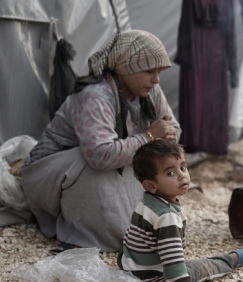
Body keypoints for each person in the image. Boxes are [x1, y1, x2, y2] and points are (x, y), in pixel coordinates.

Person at [19, 30, 181, 252]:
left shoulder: (150, 90)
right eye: (149, 71)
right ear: (125, 67)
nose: (156, 79)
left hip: (109, 161)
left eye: (159, 71)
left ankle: (126, 230)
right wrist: (149, 136)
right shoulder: (95, 95)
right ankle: (82, 235)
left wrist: (165, 135)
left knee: (152, 164)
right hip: (53, 173)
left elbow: (174, 130)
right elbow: (99, 155)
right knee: (99, 163)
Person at [117, 139, 243, 282]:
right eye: (170, 173)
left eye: (183, 167)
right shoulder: (167, 216)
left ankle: (225, 260)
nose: (182, 175)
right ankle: (230, 260)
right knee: (202, 267)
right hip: (153, 280)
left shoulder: (148, 202)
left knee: (186, 263)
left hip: (131, 266)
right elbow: (172, 256)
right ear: (151, 185)